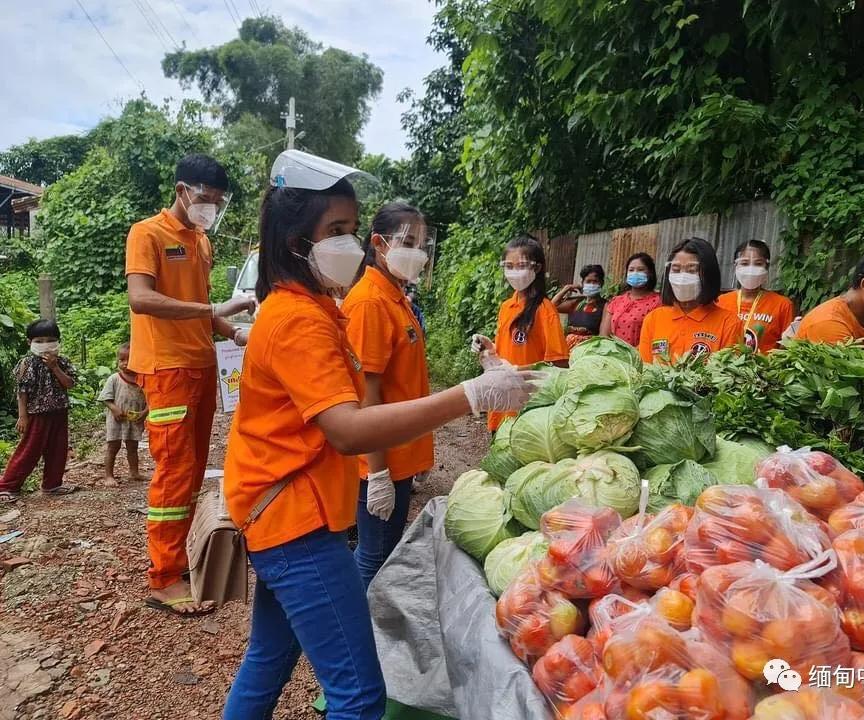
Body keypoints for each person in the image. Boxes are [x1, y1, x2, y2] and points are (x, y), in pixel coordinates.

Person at [220, 149, 538, 720]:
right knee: (359, 698)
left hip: (278, 512)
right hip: (296, 523)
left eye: (351, 228)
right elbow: (345, 427)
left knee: (268, 659)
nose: (352, 244)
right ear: (297, 239)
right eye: (336, 231)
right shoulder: (298, 316)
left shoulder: (313, 306)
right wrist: (467, 396)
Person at [125, 153, 257, 617]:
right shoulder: (147, 233)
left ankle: (177, 560)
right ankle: (162, 577)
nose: (211, 208)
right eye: (205, 198)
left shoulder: (201, 242)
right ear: (182, 190)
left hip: (201, 365)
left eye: (218, 202)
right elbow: (141, 299)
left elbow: (201, 304)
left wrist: (235, 331)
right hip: (166, 370)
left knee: (194, 468)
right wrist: (214, 312)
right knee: (176, 470)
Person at [341, 202, 436, 589]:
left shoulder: (395, 298)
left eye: (422, 243)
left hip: (398, 456)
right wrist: (377, 473)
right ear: (379, 243)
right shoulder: (369, 303)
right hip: (381, 462)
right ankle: (355, 638)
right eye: (408, 242)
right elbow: (367, 393)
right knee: (375, 556)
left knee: (381, 550)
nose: (418, 252)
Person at [472, 234, 568, 432]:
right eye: (509, 266)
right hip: (500, 405)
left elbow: (559, 362)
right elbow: (502, 353)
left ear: (537, 268)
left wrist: (516, 371)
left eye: (521, 266)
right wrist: (486, 349)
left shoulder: (545, 309)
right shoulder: (506, 306)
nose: (514, 272)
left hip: (528, 409)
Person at [0, 320, 78, 503]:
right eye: (39, 340)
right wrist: (22, 416)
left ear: (58, 341)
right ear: (30, 342)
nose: (45, 344)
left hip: (59, 411)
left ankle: (52, 484)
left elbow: (70, 384)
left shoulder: (62, 362)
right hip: (37, 414)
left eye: (50, 340)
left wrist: (54, 367)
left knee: (58, 450)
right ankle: (7, 486)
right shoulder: (27, 363)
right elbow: (22, 391)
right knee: (29, 450)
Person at [637, 238, 741, 363]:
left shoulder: (729, 323)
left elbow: (728, 375)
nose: (682, 277)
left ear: (709, 274)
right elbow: (644, 370)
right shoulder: (653, 319)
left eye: (692, 270)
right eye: (676, 270)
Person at [717, 240, 795, 353]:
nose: (750, 269)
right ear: (735, 266)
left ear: (767, 267)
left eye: (758, 264)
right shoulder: (720, 302)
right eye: (744, 263)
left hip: (765, 369)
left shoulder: (782, 305)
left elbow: (786, 349)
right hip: (723, 368)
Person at [98, 342, 148, 486]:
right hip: (116, 420)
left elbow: (151, 399)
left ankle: (134, 472)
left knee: (133, 447)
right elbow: (106, 398)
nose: (125, 364)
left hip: (134, 420)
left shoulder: (143, 379)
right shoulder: (114, 378)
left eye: (129, 360)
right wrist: (114, 408)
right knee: (113, 447)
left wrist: (144, 413)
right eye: (121, 360)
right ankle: (108, 476)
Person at [600, 253, 662, 346]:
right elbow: (604, 335)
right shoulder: (616, 301)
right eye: (631, 270)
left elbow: (657, 337)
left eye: (640, 270)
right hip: (613, 355)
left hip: (640, 356)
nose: (635, 273)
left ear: (650, 273)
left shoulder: (658, 302)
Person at [552, 264, 607, 349]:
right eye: (588, 281)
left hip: (588, 350)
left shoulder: (605, 306)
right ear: (582, 283)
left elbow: (603, 335)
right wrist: (567, 288)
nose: (591, 284)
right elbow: (552, 306)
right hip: (568, 349)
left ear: (601, 283)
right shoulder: (577, 302)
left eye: (595, 281)